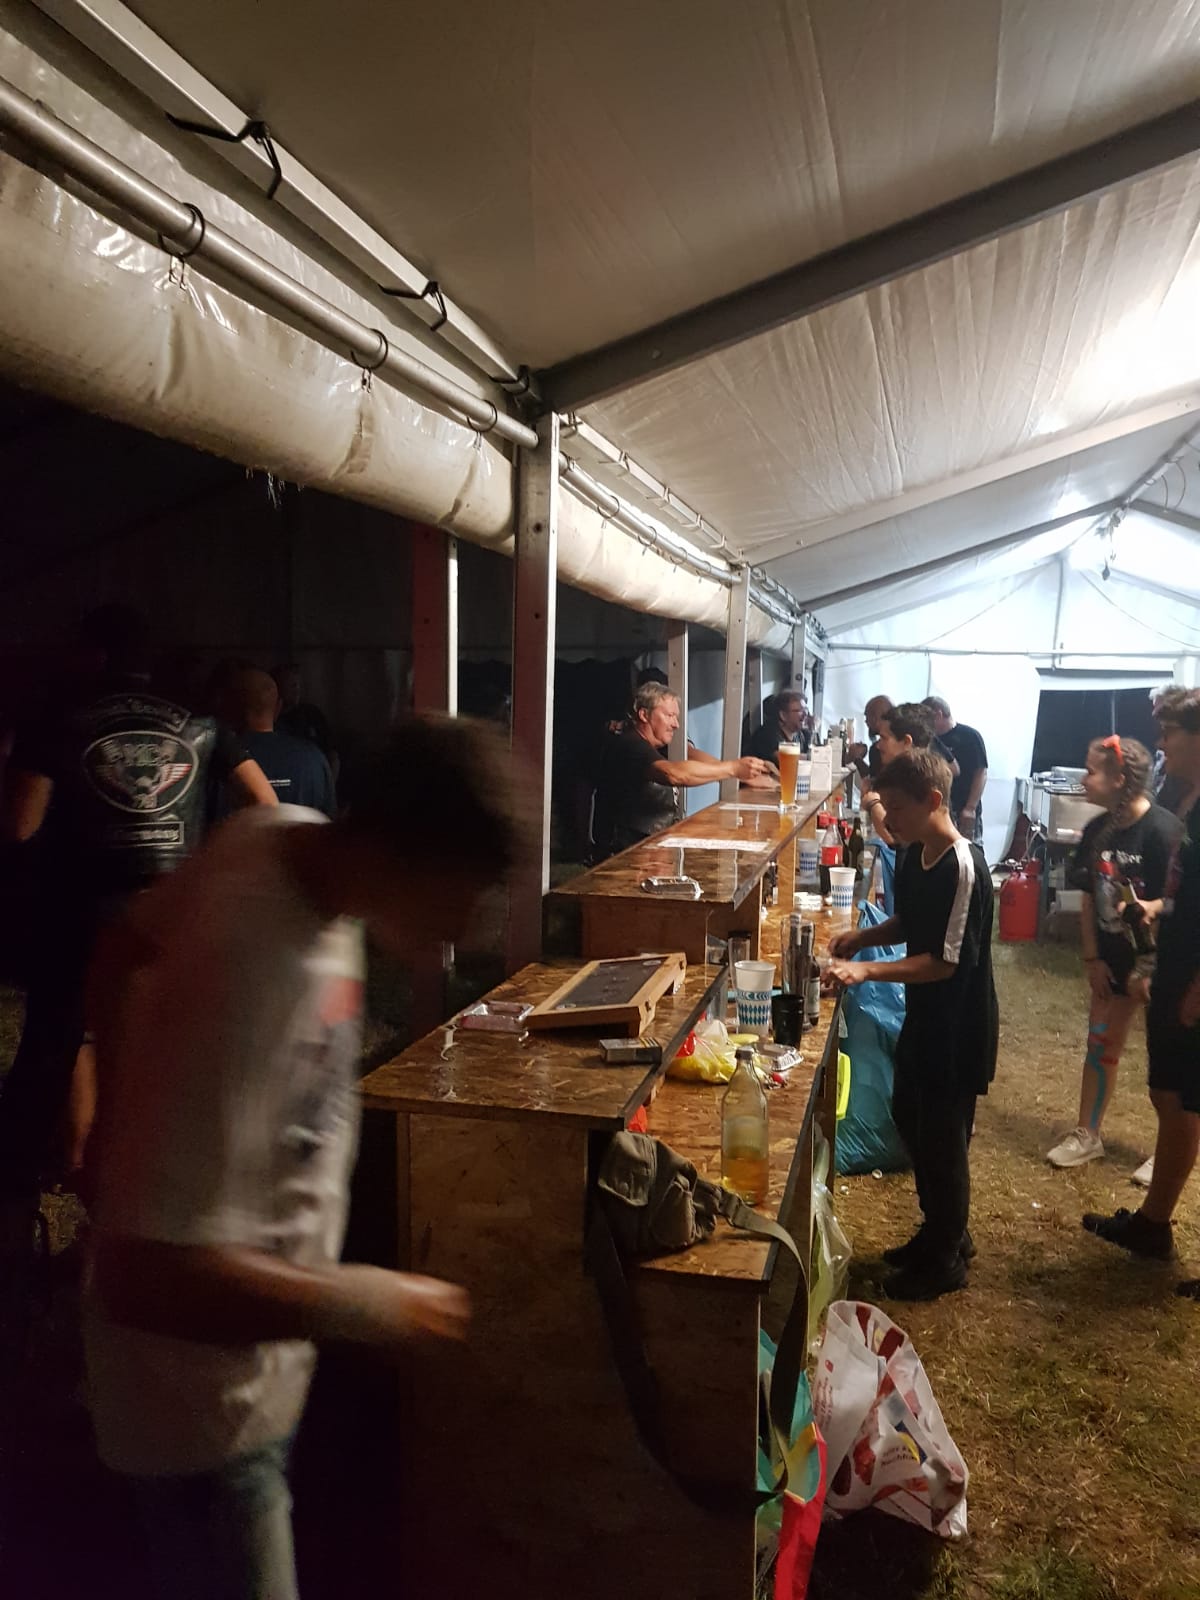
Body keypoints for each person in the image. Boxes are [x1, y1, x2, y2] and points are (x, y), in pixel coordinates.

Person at [83, 715, 525, 1599]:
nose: (461, 930)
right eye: (462, 895)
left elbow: (124, 941)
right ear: (400, 853)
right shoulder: (246, 973)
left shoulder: (275, 838)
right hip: (203, 1421)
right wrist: (368, 1303)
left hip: (263, 1375)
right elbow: (141, 1278)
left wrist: (107, 1111)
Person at [0, 606, 276, 1201]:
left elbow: (18, 825)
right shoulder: (201, 722)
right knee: (169, 1043)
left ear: (92, 655)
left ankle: (40, 1179)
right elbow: (265, 806)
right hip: (175, 912)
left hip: (79, 913)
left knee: (58, 1040)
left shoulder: (56, 721)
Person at [826, 749, 998, 1300]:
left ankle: (946, 1257)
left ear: (934, 801)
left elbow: (945, 962)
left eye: (897, 807)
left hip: (959, 1025)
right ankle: (941, 1229)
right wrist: (863, 937)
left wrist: (867, 969)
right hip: (925, 1016)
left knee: (944, 1139)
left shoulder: (963, 866)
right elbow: (913, 922)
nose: (888, 818)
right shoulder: (913, 852)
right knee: (909, 1114)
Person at [1083, 689, 1200, 1291]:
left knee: (1186, 1101)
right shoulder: (1191, 803)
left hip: (1192, 980)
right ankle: (1154, 1225)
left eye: (1170, 732)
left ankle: (1155, 1225)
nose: (1160, 744)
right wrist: (1158, 907)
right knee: (1168, 1095)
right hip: (1174, 968)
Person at [1046, 737, 1181, 1173]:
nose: (1084, 780)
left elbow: (1179, 905)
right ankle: (1088, 1134)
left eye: (1091, 772)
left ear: (1120, 779)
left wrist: (1150, 967)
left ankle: (1172, 1147)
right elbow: (1089, 898)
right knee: (1101, 1043)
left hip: (1161, 964)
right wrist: (1093, 959)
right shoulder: (1097, 831)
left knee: (1168, 1060)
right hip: (1113, 962)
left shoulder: (1163, 833)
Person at [593, 681, 775, 857]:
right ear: (644, 715)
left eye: (676, 717)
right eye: (669, 715)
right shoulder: (631, 745)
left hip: (652, 845)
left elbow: (691, 754)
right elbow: (674, 775)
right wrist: (733, 769)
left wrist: (743, 775)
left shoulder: (658, 744)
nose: (676, 724)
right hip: (625, 852)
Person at [224, 667, 337, 817]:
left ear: (229, 708)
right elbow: (329, 819)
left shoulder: (218, 761)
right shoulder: (314, 758)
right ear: (278, 707)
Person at [859, 701, 942, 848]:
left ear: (906, 742)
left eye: (884, 738)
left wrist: (873, 804)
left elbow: (897, 841)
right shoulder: (904, 777)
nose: (878, 745)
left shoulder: (919, 781)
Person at [923, 697, 988, 843]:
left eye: (927, 719)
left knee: (967, 849)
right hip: (938, 809)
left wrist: (970, 807)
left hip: (963, 808)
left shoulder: (970, 736)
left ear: (938, 714)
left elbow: (981, 773)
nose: (925, 725)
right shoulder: (929, 740)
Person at [273, 661, 338, 774]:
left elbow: (332, 754)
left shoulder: (311, 714)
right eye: (291, 684)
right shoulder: (272, 719)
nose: (297, 689)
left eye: (298, 684)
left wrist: (329, 781)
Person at [748, 688, 811, 762]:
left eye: (805, 709)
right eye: (799, 711)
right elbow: (786, 758)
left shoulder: (799, 734)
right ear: (783, 715)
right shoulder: (767, 735)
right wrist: (813, 757)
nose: (805, 714)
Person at [846, 695, 894, 783]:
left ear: (875, 718)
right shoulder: (876, 749)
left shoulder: (877, 750)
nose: (866, 721)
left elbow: (875, 785)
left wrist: (857, 758)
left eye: (867, 716)